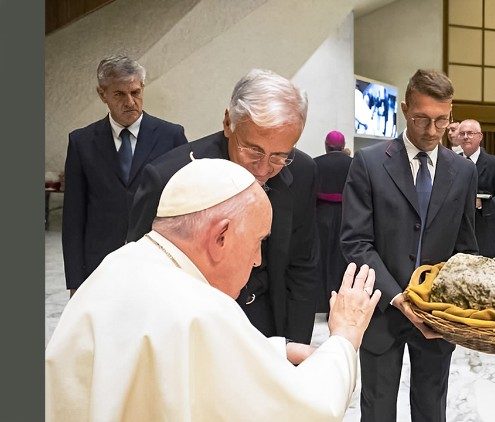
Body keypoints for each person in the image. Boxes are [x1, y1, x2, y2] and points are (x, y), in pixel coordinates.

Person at [46, 158, 381, 421]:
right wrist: (345, 337)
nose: (257, 260)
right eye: (257, 242)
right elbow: (307, 409)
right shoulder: (201, 309)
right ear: (220, 236)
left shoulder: (120, 263)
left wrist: (273, 351)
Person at [127, 69, 319, 344]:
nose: (264, 169)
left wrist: (296, 346)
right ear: (229, 122)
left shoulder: (302, 172)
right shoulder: (169, 177)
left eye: (279, 156)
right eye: (253, 150)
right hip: (193, 328)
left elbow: (302, 266)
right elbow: (142, 276)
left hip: (267, 320)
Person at [341, 69, 478, 422]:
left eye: (441, 120)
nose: (431, 131)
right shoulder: (369, 163)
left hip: (438, 315)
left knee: (432, 407)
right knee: (378, 406)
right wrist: (398, 297)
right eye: (421, 119)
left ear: (451, 115)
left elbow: (465, 247)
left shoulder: (461, 172)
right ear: (404, 109)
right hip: (383, 309)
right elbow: (356, 242)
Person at [62, 55, 188, 297]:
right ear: (103, 95)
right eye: (120, 94)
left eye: (135, 92)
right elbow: (73, 217)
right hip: (100, 265)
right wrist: (76, 281)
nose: (130, 101)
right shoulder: (81, 142)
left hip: (158, 261)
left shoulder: (171, 136)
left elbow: (184, 203)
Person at [458, 119, 495, 258]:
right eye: (462, 133)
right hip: (456, 233)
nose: (465, 137)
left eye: (470, 133)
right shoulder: (452, 161)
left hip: (484, 232)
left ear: (480, 136)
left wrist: (482, 204)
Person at [314, 130, 353, 313]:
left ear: (326, 145)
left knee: (321, 259)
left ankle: (321, 302)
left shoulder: (316, 163)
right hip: (348, 215)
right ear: (343, 145)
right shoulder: (353, 164)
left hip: (321, 215)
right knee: (342, 260)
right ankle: (340, 301)